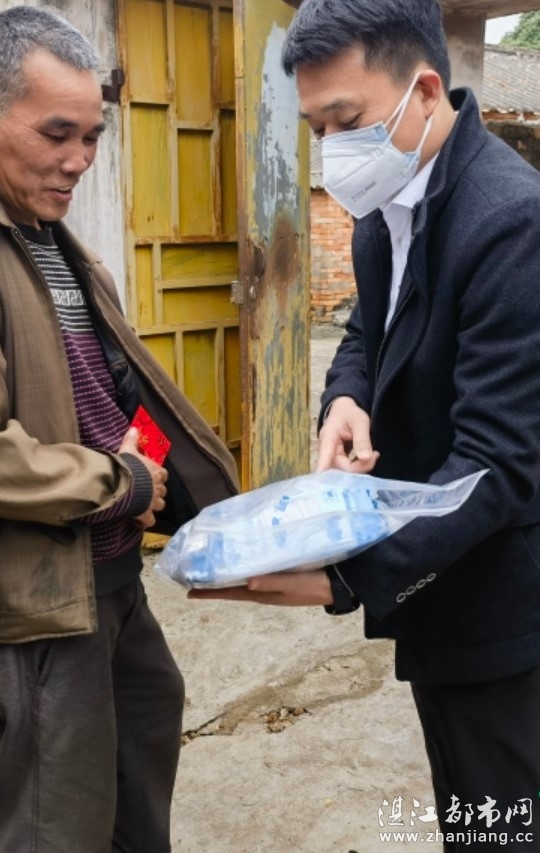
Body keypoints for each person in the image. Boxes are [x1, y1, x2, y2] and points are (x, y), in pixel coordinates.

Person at [0, 7, 238, 852]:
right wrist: (124, 482)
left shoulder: (48, 236)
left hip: (106, 575)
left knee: (141, 765)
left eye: (93, 136)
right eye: (56, 134)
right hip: (33, 599)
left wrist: (171, 477)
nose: (79, 159)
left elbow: (106, 386)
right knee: (55, 823)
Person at [190, 1, 540, 849]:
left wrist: (346, 575)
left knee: (505, 818)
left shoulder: (510, 223)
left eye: (346, 122)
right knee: (467, 813)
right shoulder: (388, 205)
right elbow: (366, 331)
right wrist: (345, 398)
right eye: (317, 129)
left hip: (502, 602)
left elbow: (497, 463)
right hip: (434, 586)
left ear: (425, 91)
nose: (332, 152)